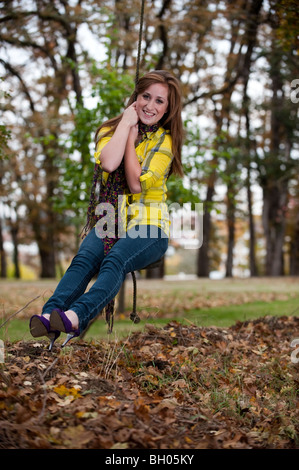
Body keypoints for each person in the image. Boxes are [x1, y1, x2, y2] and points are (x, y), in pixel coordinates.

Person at [29, 70, 184, 350]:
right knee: (84, 259)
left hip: (150, 224)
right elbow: (109, 164)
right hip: (112, 219)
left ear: (168, 109)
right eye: (146, 96)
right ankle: (50, 317)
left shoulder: (165, 142)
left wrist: (129, 140)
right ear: (135, 96)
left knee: (115, 261)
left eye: (160, 101)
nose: (150, 105)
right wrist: (125, 124)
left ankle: (75, 317)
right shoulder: (108, 130)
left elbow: (136, 184)